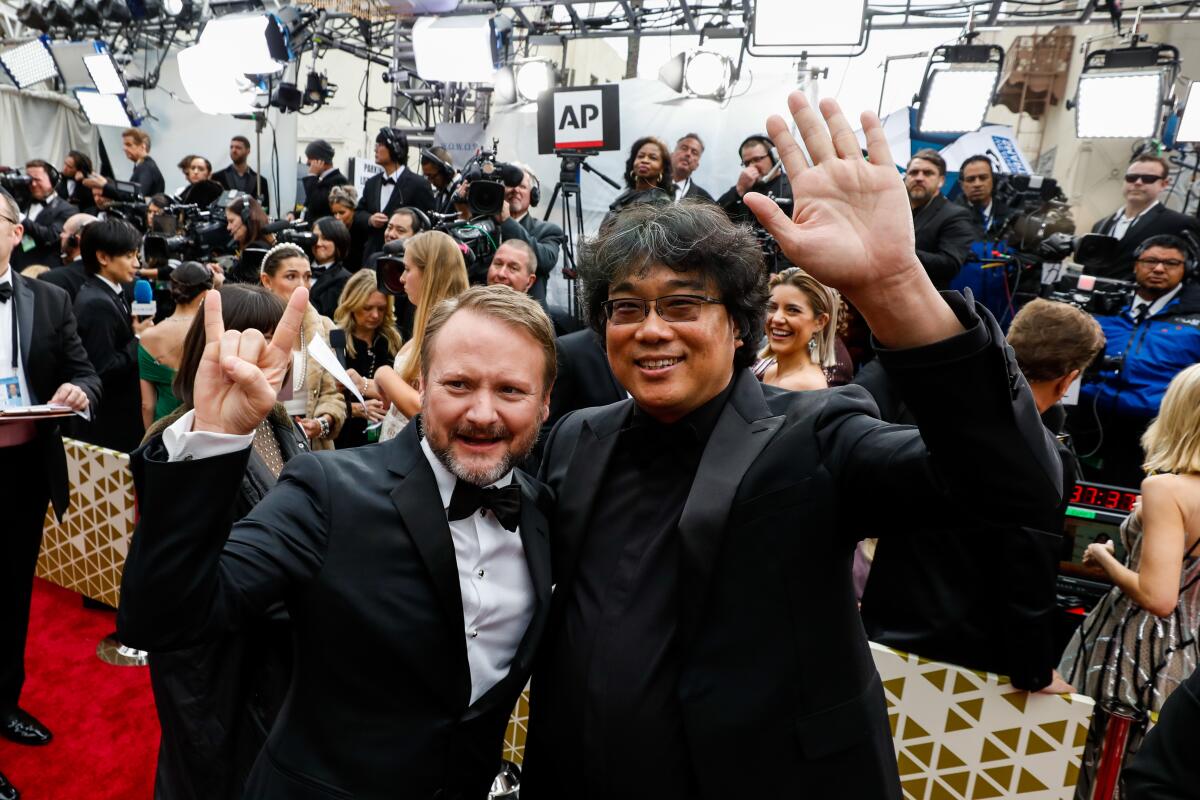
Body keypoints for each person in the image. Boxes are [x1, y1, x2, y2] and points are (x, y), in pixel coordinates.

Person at [519, 93, 1062, 799]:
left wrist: (895, 286)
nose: (651, 329)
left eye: (683, 305)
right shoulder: (575, 439)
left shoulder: (817, 435)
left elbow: (1012, 485)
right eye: (628, 308)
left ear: (741, 328)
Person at [117, 283, 556, 799]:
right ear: (421, 384)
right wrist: (216, 439)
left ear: (546, 402)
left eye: (511, 390)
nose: (482, 413)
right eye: (458, 384)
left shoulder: (543, 510)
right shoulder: (326, 490)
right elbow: (164, 617)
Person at [857, 298, 1104, 692]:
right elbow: (1029, 570)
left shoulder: (931, 412)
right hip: (970, 663)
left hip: (882, 630)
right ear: (1067, 380)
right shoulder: (1046, 459)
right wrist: (1035, 671)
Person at [139, 283, 305, 800]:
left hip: (284, 665)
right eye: (263, 341)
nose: (280, 355)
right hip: (218, 666)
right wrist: (216, 435)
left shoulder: (282, 424)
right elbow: (168, 587)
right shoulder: (178, 440)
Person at [1060, 362, 1200, 800]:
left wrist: (1105, 557)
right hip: (1191, 655)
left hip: (1133, 650)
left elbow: (1158, 597)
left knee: (1099, 773)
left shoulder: (1167, 490)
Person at [0, 189, 99, 800]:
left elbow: (84, 370)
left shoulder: (51, 297)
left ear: (14, 232)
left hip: (22, 473)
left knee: (12, 597)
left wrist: (79, 393)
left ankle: (5, 701)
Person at [1072, 234, 1200, 488]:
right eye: (1150, 260)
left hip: (1158, 433)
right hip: (1088, 424)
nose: (1159, 268)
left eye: (1171, 263)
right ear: (1135, 265)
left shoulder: (1195, 318)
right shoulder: (1103, 306)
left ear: (1186, 270)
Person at [371, 230, 468, 442]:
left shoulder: (450, 331)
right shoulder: (432, 323)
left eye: (407, 269)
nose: (401, 278)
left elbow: (425, 410)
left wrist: (383, 373)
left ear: (430, 273)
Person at [73, 217, 153, 452]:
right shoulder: (96, 303)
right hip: (111, 424)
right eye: (129, 256)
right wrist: (138, 339)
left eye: (136, 255)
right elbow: (103, 370)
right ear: (103, 257)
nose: (137, 263)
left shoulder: (110, 293)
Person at [256, 243, 345, 451]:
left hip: (313, 447)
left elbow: (333, 393)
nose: (302, 285)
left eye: (307, 277)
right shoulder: (253, 326)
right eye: (291, 276)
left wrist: (322, 422)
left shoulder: (323, 327)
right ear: (267, 281)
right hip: (264, 443)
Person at [1088, 154, 1200, 281]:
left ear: (1164, 184)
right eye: (1131, 177)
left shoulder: (1180, 224)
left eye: (1148, 178)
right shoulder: (1100, 225)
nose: (1138, 182)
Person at [331, 269, 401, 449]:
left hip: (388, 440)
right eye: (367, 308)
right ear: (352, 305)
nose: (375, 315)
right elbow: (324, 399)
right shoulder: (336, 342)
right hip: (346, 442)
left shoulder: (393, 341)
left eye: (381, 308)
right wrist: (355, 410)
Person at [138, 262, 213, 427]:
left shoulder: (148, 336)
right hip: (203, 426)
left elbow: (147, 405)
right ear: (206, 293)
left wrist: (150, 439)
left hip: (164, 427)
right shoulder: (212, 331)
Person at [753, 267, 840, 391]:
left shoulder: (805, 385)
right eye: (772, 307)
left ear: (820, 322)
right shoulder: (771, 372)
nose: (777, 319)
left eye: (793, 310)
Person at [490, 164, 564, 306]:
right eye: (510, 185)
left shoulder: (548, 231)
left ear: (533, 195)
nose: (515, 190)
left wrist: (507, 222)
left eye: (522, 186)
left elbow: (545, 261)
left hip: (529, 319)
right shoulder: (486, 226)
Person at [905, 149, 976, 289]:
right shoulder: (895, 210)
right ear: (906, 177)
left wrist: (900, 252)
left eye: (928, 173)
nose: (919, 177)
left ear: (941, 180)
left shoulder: (955, 215)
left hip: (925, 300)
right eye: (913, 172)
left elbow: (950, 264)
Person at [361, 128, 436, 257]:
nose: (375, 149)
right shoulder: (371, 183)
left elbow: (429, 223)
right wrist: (370, 219)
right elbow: (358, 213)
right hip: (372, 256)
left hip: (405, 257)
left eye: (380, 145)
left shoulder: (419, 184)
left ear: (395, 149)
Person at [486, 239, 581, 337]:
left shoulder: (535, 332)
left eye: (513, 268)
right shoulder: (471, 312)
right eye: (498, 264)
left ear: (529, 282)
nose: (501, 274)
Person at [12, 159, 78, 271]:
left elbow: (50, 236)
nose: (33, 184)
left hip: (42, 270)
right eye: (29, 180)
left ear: (52, 180)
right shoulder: (22, 201)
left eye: (37, 180)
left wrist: (20, 217)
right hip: (15, 266)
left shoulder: (67, 209)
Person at [717, 134, 792, 226]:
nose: (751, 166)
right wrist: (739, 190)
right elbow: (712, 215)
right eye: (747, 163)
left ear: (774, 157)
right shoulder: (742, 188)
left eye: (757, 159)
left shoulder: (792, 186)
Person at [607, 136, 675, 221]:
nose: (645, 160)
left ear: (662, 168)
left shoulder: (662, 203)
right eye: (640, 156)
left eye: (653, 158)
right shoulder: (623, 198)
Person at [84, 128, 165, 199]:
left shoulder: (146, 168)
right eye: (124, 145)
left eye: (129, 145)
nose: (124, 148)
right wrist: (107, 184)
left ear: (142, 147)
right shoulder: (145, 166)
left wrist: (105, 185)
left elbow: (136, 195)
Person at [955, 155, 1015, 240]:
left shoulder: (1010, 216)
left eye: (983, 178)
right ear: (962, 185)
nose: (977, 184)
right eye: (971, 179)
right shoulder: (951, 217)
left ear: (993, 181)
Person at [41, 212, 96, 301]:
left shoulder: (52, 278)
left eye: (64, 232)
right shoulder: (110, 273)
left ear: (76, 240)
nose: (61, 235)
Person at [307, 217, 352, 317]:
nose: (318, 243)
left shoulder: (345, 279)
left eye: (325, 238)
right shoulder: (299, 267)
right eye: (315, 238)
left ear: (339, 241)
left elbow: (329, 314)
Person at [224, 195, 274, 284]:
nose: (228, 227)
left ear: (246, 218)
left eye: (231, 221)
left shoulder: (255, 250)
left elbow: (247, 291)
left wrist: (221, 281)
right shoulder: (259, 246)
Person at [213, 135, 270, 211]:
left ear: (248, 151)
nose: (234, 150)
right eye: (231, 147)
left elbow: (265, 209)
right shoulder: (217, 177)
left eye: (238, 148)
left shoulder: (260, 181)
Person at [298, 140, 348, 223]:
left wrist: (312, 175)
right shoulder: (319, 179)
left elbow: (316, 204)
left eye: (310, 158)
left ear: (320, 160)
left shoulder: (338, 181)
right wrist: (293, 213)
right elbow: (307, 205)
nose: (307, 162)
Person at [327, 185, 370, 270]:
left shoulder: (363, 232)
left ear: (353, 210)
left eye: (342, 213)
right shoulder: (333, 231)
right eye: (334, 213)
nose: (337, 217)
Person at [670, 133, 714, 202]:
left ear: (697, 165)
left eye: (694, 152)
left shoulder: (705, 201)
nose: (688, 154)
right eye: (684, 148)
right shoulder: (651, 185)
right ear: (672, 155)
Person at [420, 145, 458, 214]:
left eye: (432, 176)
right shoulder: (440, 194)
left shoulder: (463, 192)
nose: (430, 181)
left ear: (446, 171)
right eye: (427, 177)